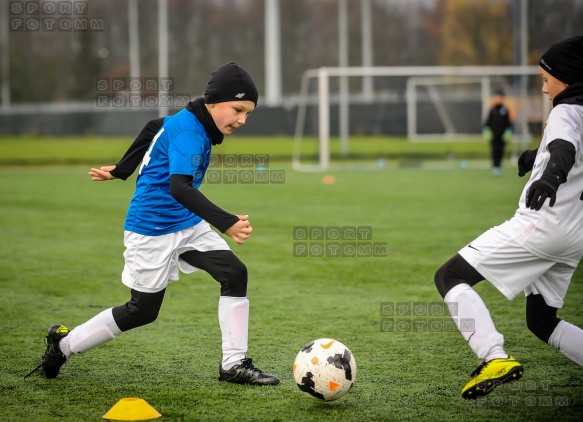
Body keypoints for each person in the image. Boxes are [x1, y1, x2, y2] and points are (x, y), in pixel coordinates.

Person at [26, 62, 280, 386]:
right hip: (151, 229)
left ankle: (233, 365)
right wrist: (227, 222)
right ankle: (63, 345)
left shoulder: (187, 119)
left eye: (248, 113)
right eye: (238, 109)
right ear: (214, 102)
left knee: (234, 272)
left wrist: (122, 169)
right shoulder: (191, 133)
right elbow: (180, 187)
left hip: (185, 222)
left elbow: (155, 125)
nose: (242, 119)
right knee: (141, 311)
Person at [434, 35, 583, 400]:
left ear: (567, 77)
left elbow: (564, 148)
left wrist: (550, 174)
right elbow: (569, 148)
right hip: (574, 235)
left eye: (547, 79)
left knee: (450, 276)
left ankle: (494, 357)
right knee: (542, 321)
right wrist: (538, 157)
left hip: (542, 226)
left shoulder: (565, 111)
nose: (544, 88)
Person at [483, 89, 513, 175]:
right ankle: (495, 166)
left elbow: (508, 122)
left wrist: (508, 131)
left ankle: (499, 166)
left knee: (500, 150)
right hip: (493, 135)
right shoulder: (492, 110)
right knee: (494, 150)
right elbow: (488, 122)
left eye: (500, 97)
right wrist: (486, 131)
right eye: (497, 97)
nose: (498, 99)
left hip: (502, 135)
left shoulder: (505, 110)